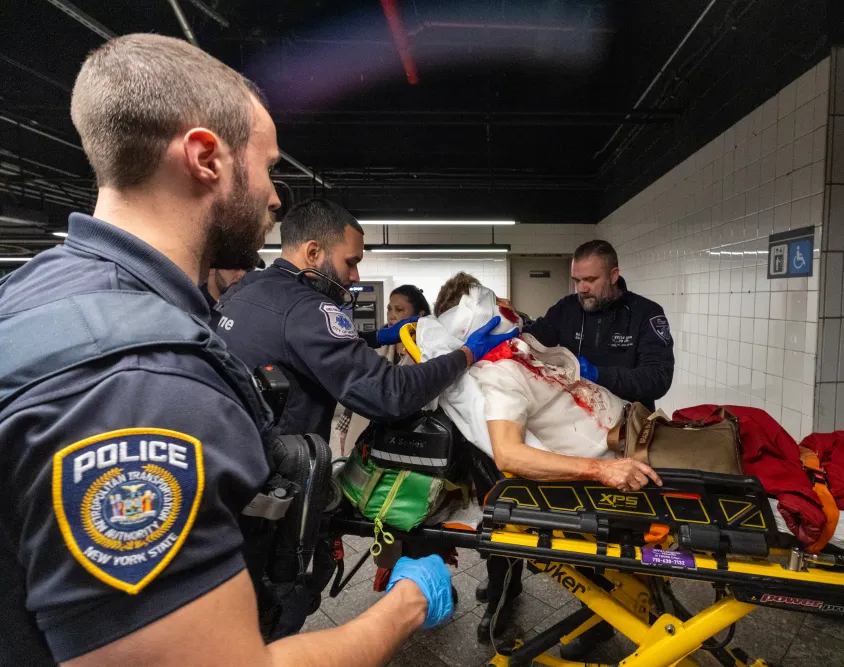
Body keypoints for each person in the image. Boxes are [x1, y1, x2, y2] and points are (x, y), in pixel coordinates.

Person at [0, 34, 452, 667]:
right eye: (266, 167)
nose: (275, 198)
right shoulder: (140, 387)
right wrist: (408, 603)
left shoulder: (37, 288)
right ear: (205, 157)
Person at [421, 274, 662, 643]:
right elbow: (508, 453)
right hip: (622, 459)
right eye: (500, 307)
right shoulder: (499, 373)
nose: (511, 312)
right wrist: (603, 469)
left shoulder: (521, 352)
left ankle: (607, 619)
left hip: (636, 431)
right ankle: (604, 617)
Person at [215, 197, 518, 443]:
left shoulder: (245, 289)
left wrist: (375, 338)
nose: (356, 276)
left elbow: (294, 344)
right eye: (351, 262)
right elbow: (391, 393)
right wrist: (465, 354)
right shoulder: (307, 308)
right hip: (279, 481)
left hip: (236, 458)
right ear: (313, 252)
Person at [525, 240, 674, 411]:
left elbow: (658, 378)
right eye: (577, 280)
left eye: (590, 280)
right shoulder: (566, 308)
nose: (581, 289)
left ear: (613, 276)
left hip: (629, 419)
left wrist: (599, 375)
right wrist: (511, 328)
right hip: (575, 416)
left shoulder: (646, 313)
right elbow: (534, 337)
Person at [384, 284, 432, 361]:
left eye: (399, 310)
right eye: (389, 309)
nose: (390, 316)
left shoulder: (430, 350)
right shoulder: (377, 350)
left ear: (419, 315)